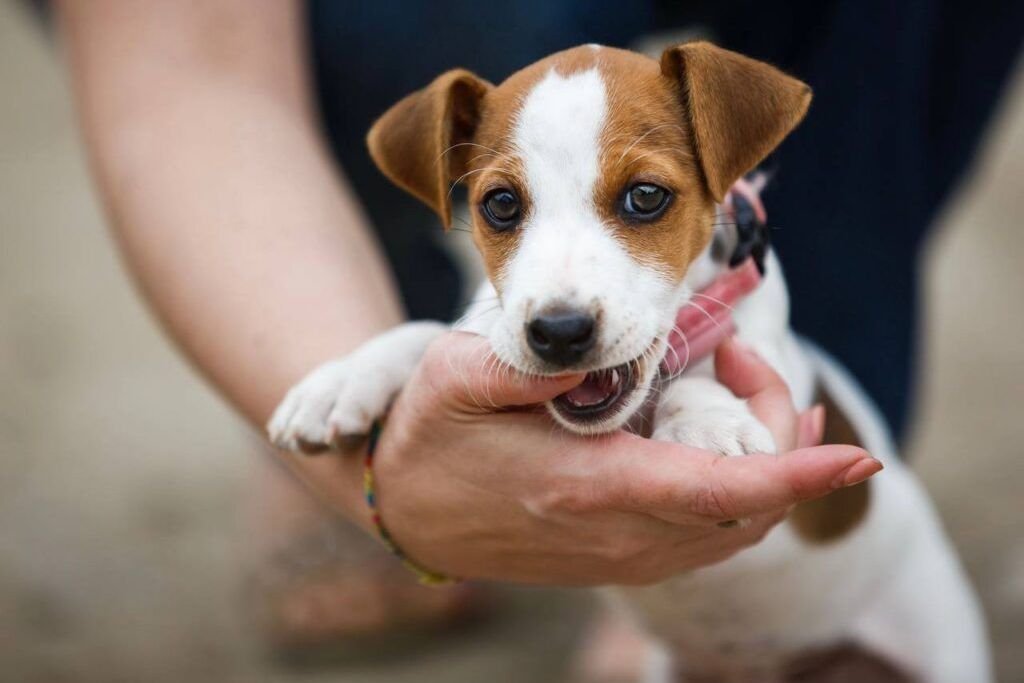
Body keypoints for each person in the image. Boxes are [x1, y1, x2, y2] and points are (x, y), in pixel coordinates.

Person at [53, 0, 1021, 659]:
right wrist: (376, 363)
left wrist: (690, 398)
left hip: (880, 615)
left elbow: (737, 373)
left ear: (726, 173)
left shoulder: (741, 280)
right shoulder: (513, 272)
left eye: (640, 199)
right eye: (507, 210)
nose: (560, 299)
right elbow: (456, 343)